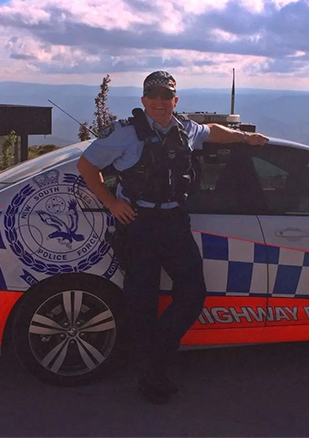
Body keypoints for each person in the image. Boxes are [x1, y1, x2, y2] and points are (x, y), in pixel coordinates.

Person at [77, 71, 268, 404]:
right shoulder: (124, 134)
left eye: (167, 96)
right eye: (154, 96)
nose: (160, 102)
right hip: (139, 223)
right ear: (143, 101)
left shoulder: (184, 129)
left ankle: (156, 354)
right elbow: (86, 165)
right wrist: (111, 202)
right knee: (143, 302)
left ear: (175, 101)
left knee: (193, 293)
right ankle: (153, 374)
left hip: (174, 221)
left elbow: (213, 133)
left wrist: (242, 137)